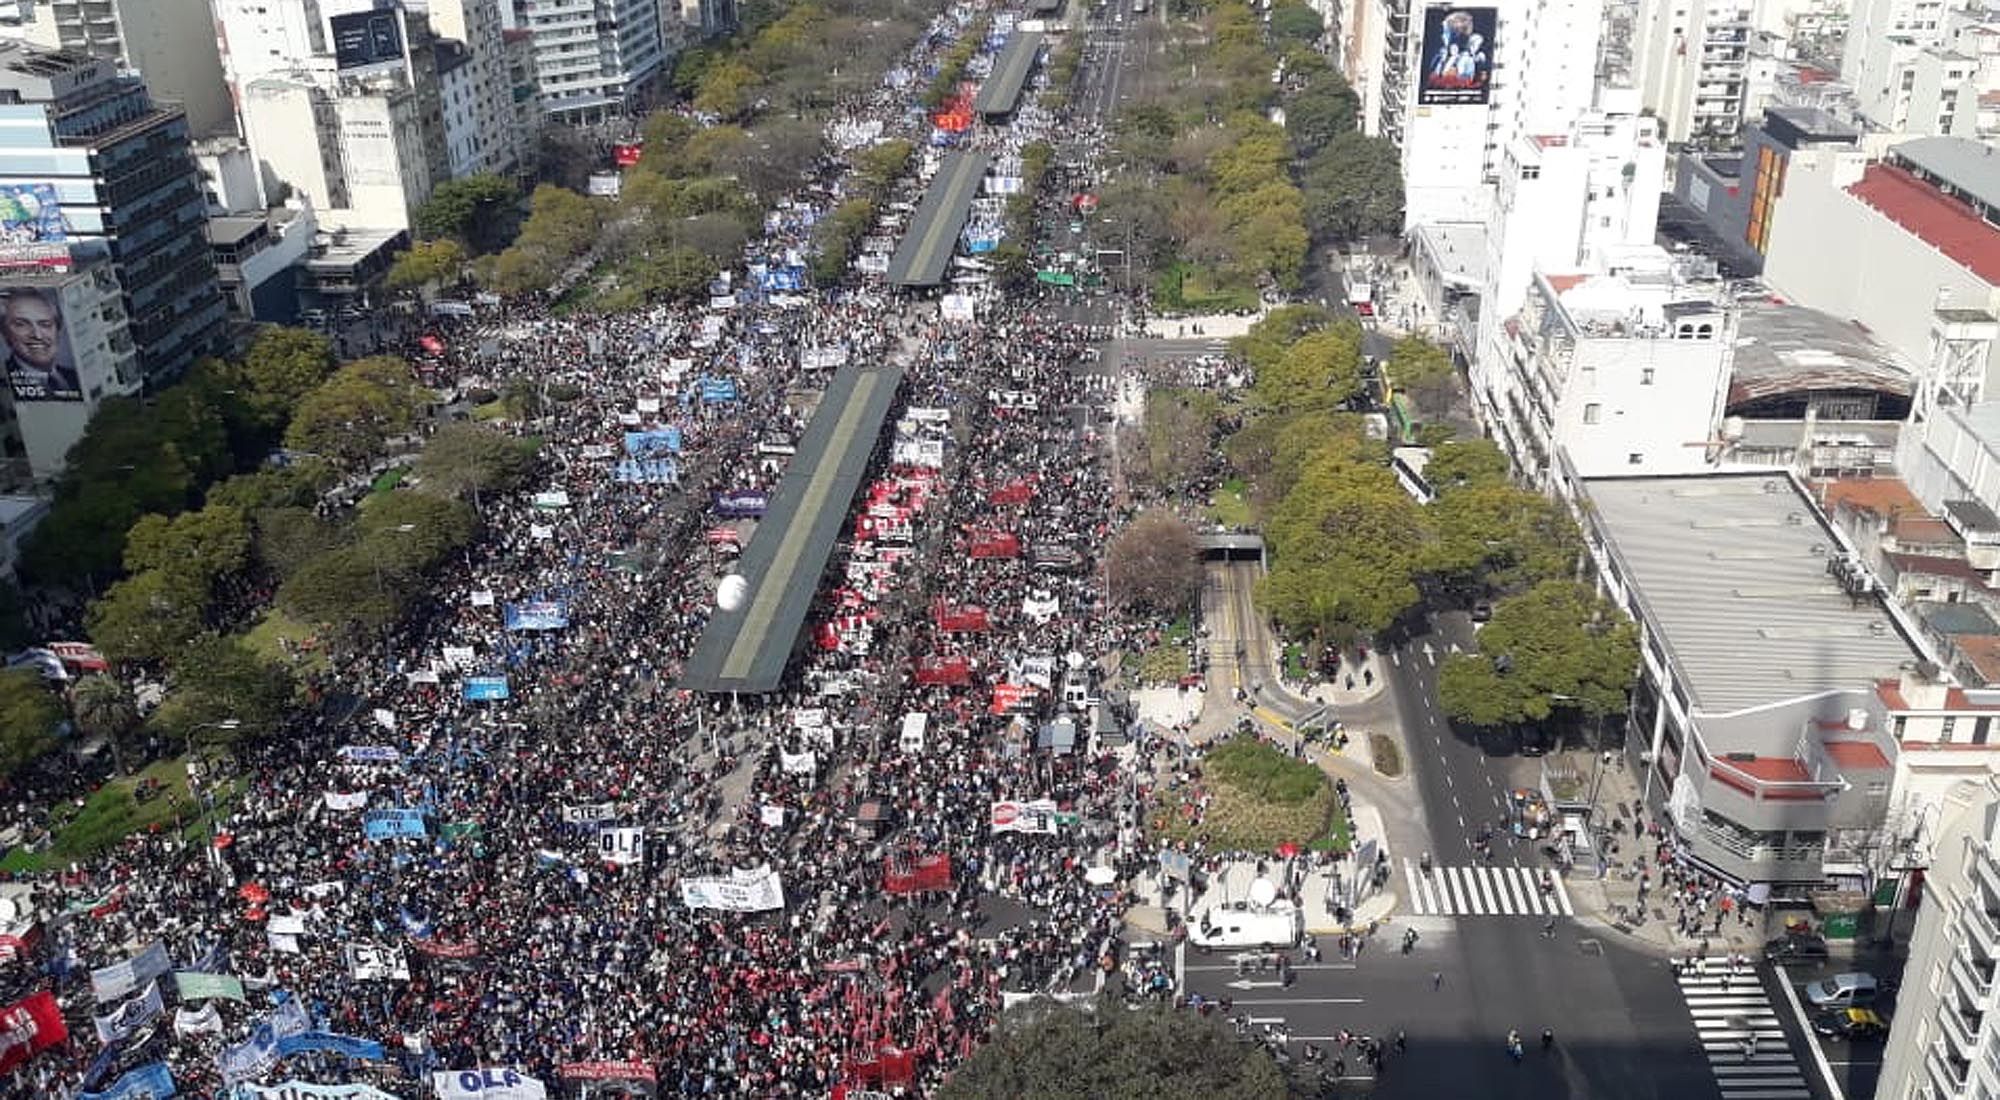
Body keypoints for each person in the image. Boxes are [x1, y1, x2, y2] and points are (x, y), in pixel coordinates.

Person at [1, 289, 78, 400]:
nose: (37, 335)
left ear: (58, 331)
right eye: (21, 324)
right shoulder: (4, 382)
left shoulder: (74, 377)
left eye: (45, 324)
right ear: (5, 333)